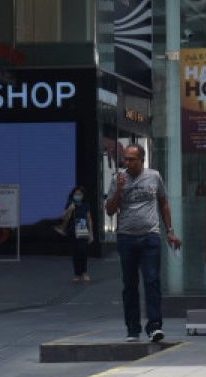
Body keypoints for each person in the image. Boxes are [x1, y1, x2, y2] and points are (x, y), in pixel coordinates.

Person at [105, 143, 179, 342]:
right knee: (130, 284)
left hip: (150, 236)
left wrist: (170, 231)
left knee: (152, 281)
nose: (127, 163)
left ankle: (155, 326)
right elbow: (110, 210)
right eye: (125, 159)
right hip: (126, 237)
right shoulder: (117, 179)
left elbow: (163, 202)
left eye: (131, 159)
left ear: (141, 160)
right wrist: (119, 189)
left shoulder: (154, 176)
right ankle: (133, 329)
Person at [61, 186, 94, 282]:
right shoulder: (70, 204)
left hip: (82, 228)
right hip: (72, 230)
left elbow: (89, 219)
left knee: (82, 251)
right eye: (76, 194)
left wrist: (91, 233)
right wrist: (69, 209)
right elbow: (64, 217)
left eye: (79, 194)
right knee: (75, 253)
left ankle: (84, 272)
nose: (77, 196)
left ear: (83, 195)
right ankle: (77, 274)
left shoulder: (85, 205)